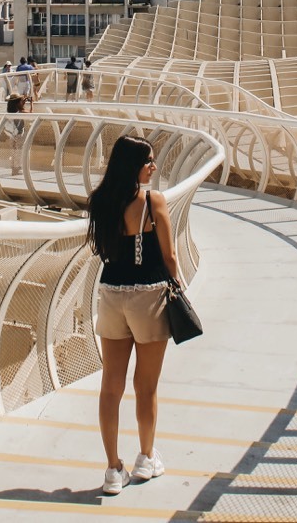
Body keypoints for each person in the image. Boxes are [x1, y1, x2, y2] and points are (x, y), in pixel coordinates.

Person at [87, 135, 179, 495]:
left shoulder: (101, 201)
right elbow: (170, 257)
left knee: (111, 386)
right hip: (149, 295)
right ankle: (146, 457)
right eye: (149, 161)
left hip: (111, 294)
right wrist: (179, 287)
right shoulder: (153, 201)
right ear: (134, 165)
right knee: (146, 385)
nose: (153, 167)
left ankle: (113, 470)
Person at [5, 92, 32, 175]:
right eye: (21, 101)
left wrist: (22, 102)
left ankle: (13, 169)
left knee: (13, 151)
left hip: (11, 135)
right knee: (19, 152)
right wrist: (32, 103)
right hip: (19, 135)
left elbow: (20, 108)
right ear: (17, 103)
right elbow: (31, 113)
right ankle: (17, 169)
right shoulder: (20, 112)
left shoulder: (10, 111)